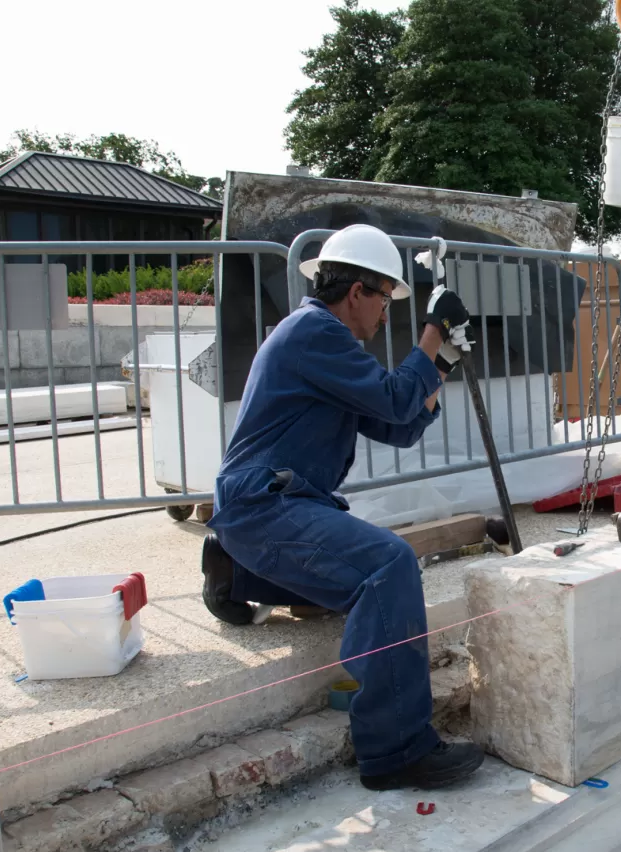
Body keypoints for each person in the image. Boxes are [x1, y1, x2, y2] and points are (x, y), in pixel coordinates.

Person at [202, 224, 485, 792]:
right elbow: (397, 396)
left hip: (272, 505)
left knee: (362, 587)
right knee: (388, 566)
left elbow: (398, 424)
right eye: (385, 297)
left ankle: (238, 571)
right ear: (356, 291)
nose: (386, 313)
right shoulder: (313, 332)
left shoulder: (328, 344)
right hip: (266, 503)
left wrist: (445, 358)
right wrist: (433, 332)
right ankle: (395, 750)